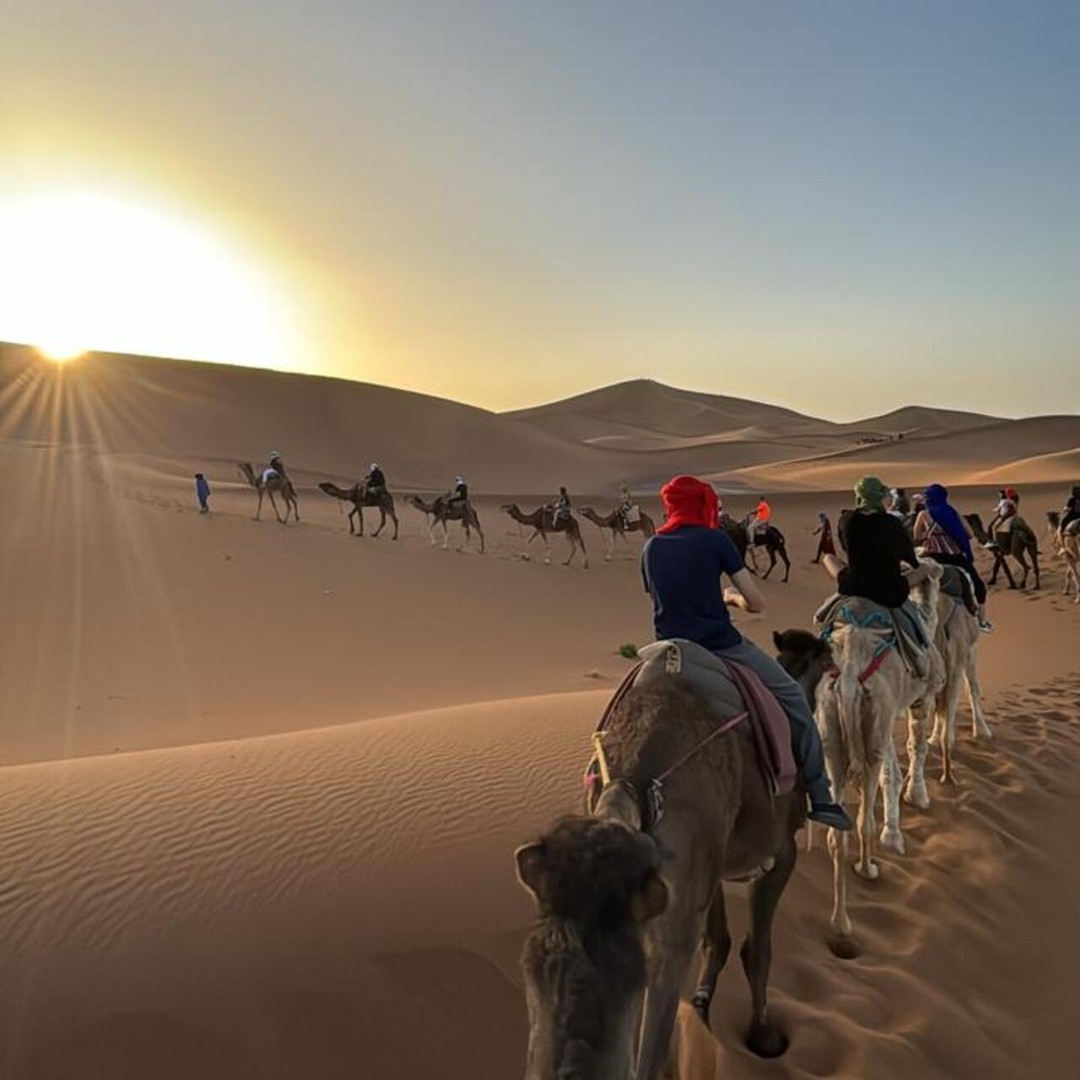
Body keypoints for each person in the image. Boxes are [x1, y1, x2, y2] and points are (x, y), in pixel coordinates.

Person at [641, 474, 853, 831]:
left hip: (666, 650)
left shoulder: (651, 547)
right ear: (702, 504)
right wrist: (730, 597)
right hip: (720, 645)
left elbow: (659, 597)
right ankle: (821, 797)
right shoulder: (715, 541)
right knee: (795, 702)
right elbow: (756, 604)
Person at [827, 477, 920, 609]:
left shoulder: (845, 519)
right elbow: (909, 556)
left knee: (828, 558)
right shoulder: (892, 522)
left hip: (853, 586)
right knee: (928, 569)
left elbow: (845, 547)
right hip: (890, 593)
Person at [914, 483, 992, 633]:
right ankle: (982, 621)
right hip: (955, 558)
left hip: (932, 557)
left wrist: (931, 537)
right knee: (979, 587)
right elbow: (969, 534)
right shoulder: (953, 513)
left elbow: (917, 536)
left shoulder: (923, 515)